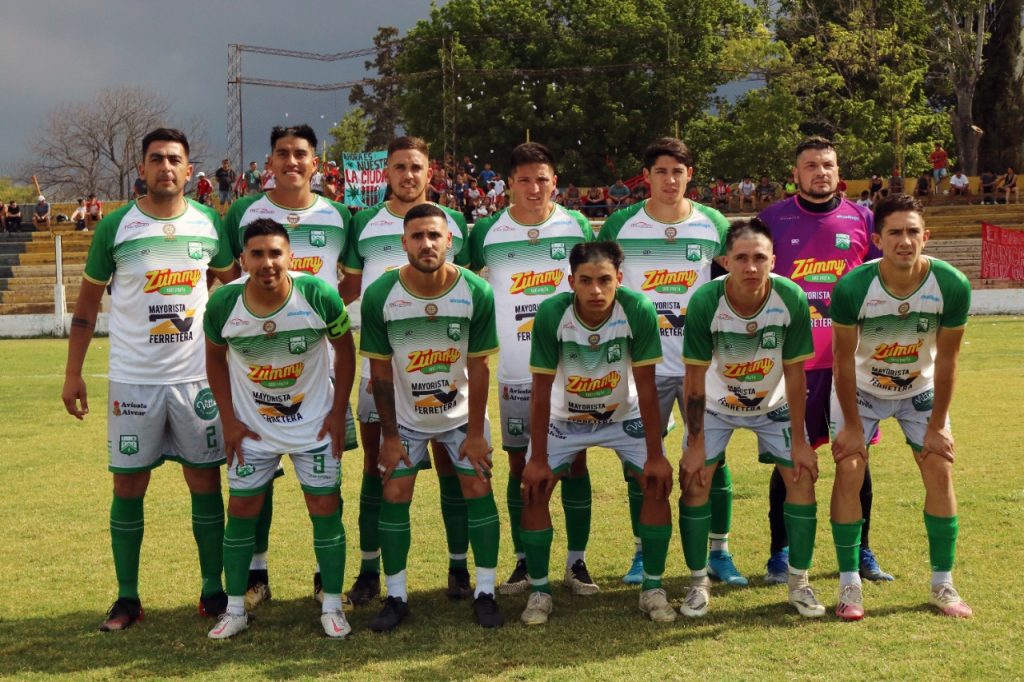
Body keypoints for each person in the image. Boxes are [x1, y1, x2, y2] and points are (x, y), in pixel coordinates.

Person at [61, 127, 236, 632]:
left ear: (189, 170)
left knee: (204, 481)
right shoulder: (116, 227)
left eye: (174, 159)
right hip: (133, 381)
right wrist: (73, 373)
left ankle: (213, 591)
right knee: (128, 485)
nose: (165, 167)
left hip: (196, 380)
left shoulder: (209, 223)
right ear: (142, 168)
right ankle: (127, 598)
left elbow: (233, 288)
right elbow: (86, 308)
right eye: (156, 158)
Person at [223, 123, 355, 610]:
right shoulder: (243, 213)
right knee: (257, 474)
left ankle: (325, 580)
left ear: (315, 163)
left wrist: (311, 317)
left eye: (301, 153)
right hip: (256, 369)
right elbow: (227, 278)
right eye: (283, 153)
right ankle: (256, 576)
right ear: (270, 162)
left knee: (326, 475)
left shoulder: (339, 214)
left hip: (320, 367)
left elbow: (350, 282)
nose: (292, 161)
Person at [203, 219, 356, 639]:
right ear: (242, 260)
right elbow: (214, 361)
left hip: (314, 426)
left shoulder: (318, 295)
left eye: (275, 253)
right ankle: (235, 610)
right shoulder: (224, 304)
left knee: (324, 508)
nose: (267, 263)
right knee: (241, 511)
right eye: (257, 254)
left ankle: (332, 605)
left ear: (290, 257)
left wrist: (337, 411)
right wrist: (229, 420)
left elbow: (345, 352)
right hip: (253, 430)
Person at [340, 136, 473, 607]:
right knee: (378, 467)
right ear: (386, 173)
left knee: (452, 467)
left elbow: (465, 290)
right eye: (399, 167)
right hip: (380, 370)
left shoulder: (453, 222)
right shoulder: (363, 223)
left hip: (442, 369)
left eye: (415, 167)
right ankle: (369, 570)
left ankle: (459, 568)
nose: (408, 175)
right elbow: (349, 291)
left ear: (428, 171)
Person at [359, 203, 502, 631]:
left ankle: (485, 591)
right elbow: (380, 373)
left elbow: (479, 367)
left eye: (434, 235)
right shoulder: (381, 295)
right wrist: (389, 437)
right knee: (394, 492)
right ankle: (396, 596)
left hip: (461, 418)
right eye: (418, 236)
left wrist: (475, 433)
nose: (427, 243)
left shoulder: (476, 291)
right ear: (404, 242)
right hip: (406, 419)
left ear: (450, 241)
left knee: (478, 486)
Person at [830, 193, 972, 620]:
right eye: (894, 233)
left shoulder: (951, 284)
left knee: (939, 469)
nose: (904, 241)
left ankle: (943, 583)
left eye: (913, 232)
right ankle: (849, 584)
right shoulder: (854, 286)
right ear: (878, 240)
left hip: (919, 390)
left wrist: (938, 425)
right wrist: (851, 426)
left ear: (926, 236)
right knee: (849, 468)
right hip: (862, 390)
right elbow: (841, 361)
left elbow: (948, 361)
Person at [519, 241, 674, 625]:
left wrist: (656, 455)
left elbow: (648, 387)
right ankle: (539, 592)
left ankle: (653, 589)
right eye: (585, 281)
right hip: (564, 419)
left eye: (604, 280)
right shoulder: (552, 313)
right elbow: (540, 390)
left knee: (656, 484)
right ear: (570, 281)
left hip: (623, 417)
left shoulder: (637, 309)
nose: (596, 290)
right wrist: (538, 459)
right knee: (534, 488)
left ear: (619, 278)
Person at [757, 136, 890, 585]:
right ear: (795, 174)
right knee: (790, 460)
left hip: (850, 366)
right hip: (793, 364)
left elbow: (881, 282)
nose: (820, 172)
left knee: (855, 458)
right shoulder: (772, 219)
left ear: (839, 172)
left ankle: (861, 550)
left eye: (828, 165)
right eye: (811, 165)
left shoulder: (863, 219)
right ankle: (780, 552)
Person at [597, 137, 731, 585]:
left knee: (712, 458)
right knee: (639, 462)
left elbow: (732, 285)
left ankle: (720, 552)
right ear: (647, 177)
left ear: (689, 175)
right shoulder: (620, 225)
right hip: (642, 366)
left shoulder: (712, 223)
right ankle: (642, 553)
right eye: (661, 171)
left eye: (678, 171)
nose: (670, 180)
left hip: (700, 365)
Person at [468, 142, 597, 596]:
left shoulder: (576, 225)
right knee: (519, 464)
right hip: (516, 372)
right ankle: (523, 560)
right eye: (524, 180)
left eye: (542, 179)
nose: (534, 188)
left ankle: (577, 562)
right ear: (509, 185)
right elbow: (461, 282)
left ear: (554, 182)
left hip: (571, 369)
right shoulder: (488, 231)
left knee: (575, 462)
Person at [679, 218, 824, 619]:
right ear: (725, 261)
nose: (751, 266)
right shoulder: (706, 300)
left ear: (773, 260)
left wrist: (801, 441)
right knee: (695, 480)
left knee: (801, 476)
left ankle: (799, 582)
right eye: (741, 258)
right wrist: (695, 444)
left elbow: (796, 374)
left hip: (773, 406)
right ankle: (697, 583)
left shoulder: (790, 296)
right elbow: (693, 378)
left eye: (760, 257)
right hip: (715, 406)